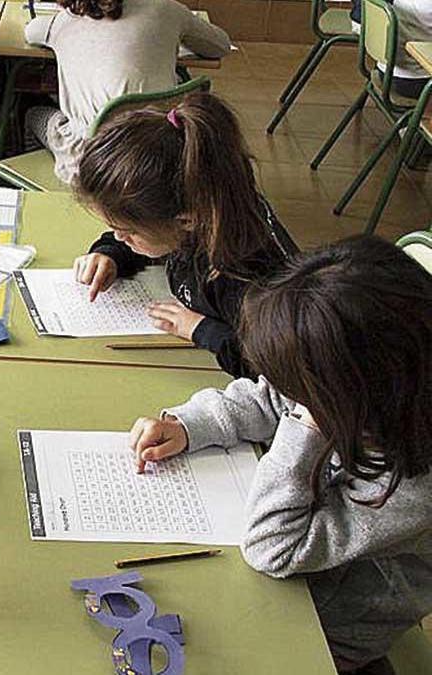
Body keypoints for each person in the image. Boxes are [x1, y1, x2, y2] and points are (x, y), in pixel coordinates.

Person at [128, 236, 432, 675]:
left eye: (307, 395)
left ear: (345, 396)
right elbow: (272, 398)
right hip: (293, 577)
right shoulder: (362, 387)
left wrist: (305, 424)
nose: (291, 397)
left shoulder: (411, 487)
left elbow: (273, 547)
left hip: (330, 630)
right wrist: (189, 425)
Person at [72, 91, 296, 377]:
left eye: (126, 232)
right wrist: (110, 254)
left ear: (186, 221)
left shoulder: (247, 281)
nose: (118, 238)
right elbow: (152, 236)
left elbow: (274, 369)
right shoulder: (201, 207)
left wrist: (202, 330)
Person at [23, 0, 231, 185]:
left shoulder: (61, 24)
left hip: (91, 165)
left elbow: (30, 31)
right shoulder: (169, 10)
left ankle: (35, 191)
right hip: (160, 157)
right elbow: (220, 45)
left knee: (32, 112)